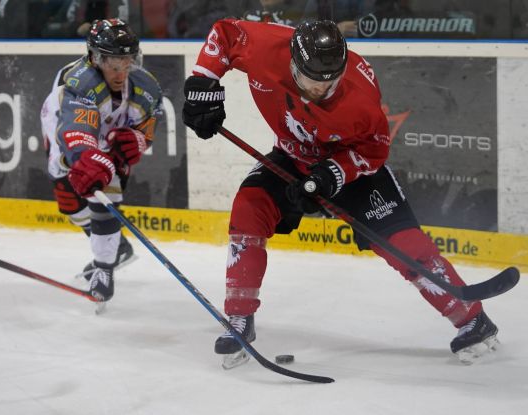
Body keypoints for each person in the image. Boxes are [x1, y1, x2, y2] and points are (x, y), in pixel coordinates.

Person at [182, 18, 499, 366]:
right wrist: (203, 83)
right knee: (248, 207)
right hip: (293, 155)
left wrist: (333, 175)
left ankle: (471, 318)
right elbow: (224, 34)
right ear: (293, 62)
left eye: (327, 83)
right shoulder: (264, 45)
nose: (317, 90)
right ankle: (239, 318)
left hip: (350, 166)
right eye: (308, 81)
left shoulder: (360, 97)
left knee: (402, 243)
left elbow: (375, 150)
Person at [40, 18, 163, 302]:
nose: (121, 73)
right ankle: (116, 245)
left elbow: (145, 130)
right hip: (62, 129)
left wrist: (137, 140)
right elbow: (77, 130)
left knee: (107, 193)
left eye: (127, 62)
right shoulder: (78, 83)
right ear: (95, 60)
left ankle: (104, 267)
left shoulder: (147, 88)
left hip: (107, 135)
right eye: (113, 64)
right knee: (69, 203)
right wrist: (86, 157)